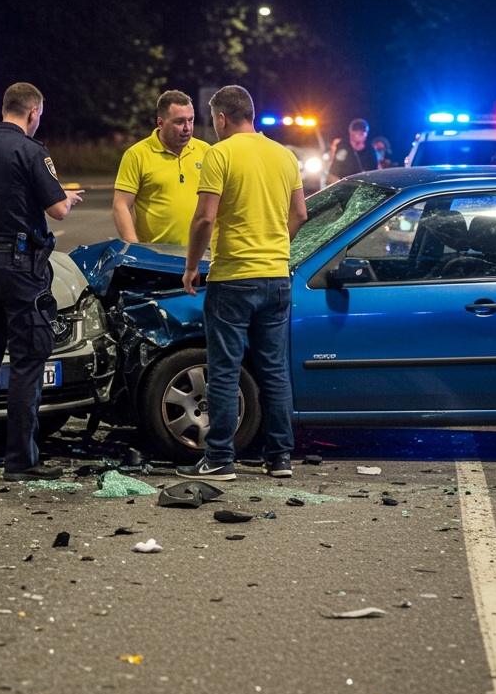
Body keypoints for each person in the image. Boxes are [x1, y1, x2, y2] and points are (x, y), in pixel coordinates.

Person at [0, 83, 83, 482]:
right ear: (34, 111)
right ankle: (20, 461)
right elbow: (57, 210)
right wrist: (68, 199)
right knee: (27, 360)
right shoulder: (32, 151)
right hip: (21, 266)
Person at [179, 85, 307, 481]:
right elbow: (300, 213)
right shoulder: (284, 155)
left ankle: (219, 459)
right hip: (276, 277)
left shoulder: (220, 153)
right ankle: (280, 458)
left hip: (233, 277)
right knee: (274, 371)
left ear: (220, 118)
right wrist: (273, 244)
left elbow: (204, 218)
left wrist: (191, 266)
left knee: (224, 370)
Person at [111, 90, 211, 245]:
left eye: (190, 120)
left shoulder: (205, 151)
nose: (187, 128)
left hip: (201, 253)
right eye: (179, 122)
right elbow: (121, 206)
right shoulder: (137, 154)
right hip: (156, 257)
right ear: (160, 122)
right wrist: (135, 248)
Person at [325, 118, 380, 183]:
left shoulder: (370, 149)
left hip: (363, 185)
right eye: (357, 129)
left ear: (367, 132)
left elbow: (375, 172)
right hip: (344, 185)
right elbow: (334, 171)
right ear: (350, 131)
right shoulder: (342, 146)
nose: (360, 132)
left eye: (363, 130)